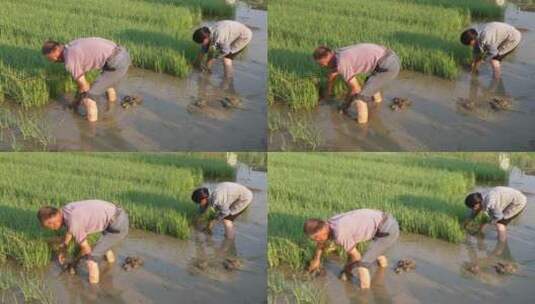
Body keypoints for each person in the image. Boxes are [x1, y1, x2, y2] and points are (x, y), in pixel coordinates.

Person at [37, 200, 129, 284]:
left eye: (49, 226)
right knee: (104, 245)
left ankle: (93, 289)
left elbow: (86, 248)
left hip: (118, 225)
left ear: (53, 222)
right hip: (115, 216)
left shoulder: (73, 221)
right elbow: (70, 229)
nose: (51, 229)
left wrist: (74, 262)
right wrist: (64, 245)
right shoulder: (65, 210)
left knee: (91, 259)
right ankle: (110, 265)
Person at [304, 209, 399, 289]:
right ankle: (382, 273)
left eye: (316, 238)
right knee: (375, 252)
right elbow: (321, 244)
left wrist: (347, 269)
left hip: (387, 229)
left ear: (322, 232)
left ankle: (365, 292)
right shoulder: (329, 223)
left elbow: (356, 256)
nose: (316, 241)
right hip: (381, 224)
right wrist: (316, 260)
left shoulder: (339, 233)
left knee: (362, 264)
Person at [42, 37, 132, 122]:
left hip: (116, 62)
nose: (52, 61)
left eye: (50, 58)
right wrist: (76, 102)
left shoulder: (70, 59)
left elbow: (84, 86)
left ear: (56, 50)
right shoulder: (70, 46)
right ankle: (111, 109)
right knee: (107, 84)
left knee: (89, 97)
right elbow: (81, 83)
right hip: (122, 54)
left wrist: (75, 103)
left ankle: (91, 131)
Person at [313, 43, 401, 124]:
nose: (323, 66)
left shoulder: (342, 63)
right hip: (389, 57)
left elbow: (355, 89)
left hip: (388, 66)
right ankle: (377, 104)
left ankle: (362, 127)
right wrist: (329, 87)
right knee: (369, 84)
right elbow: (335, 71)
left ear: (327, 57)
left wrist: (344, 106)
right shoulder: (338, 52)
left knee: (360, 97)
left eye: (322, 64)